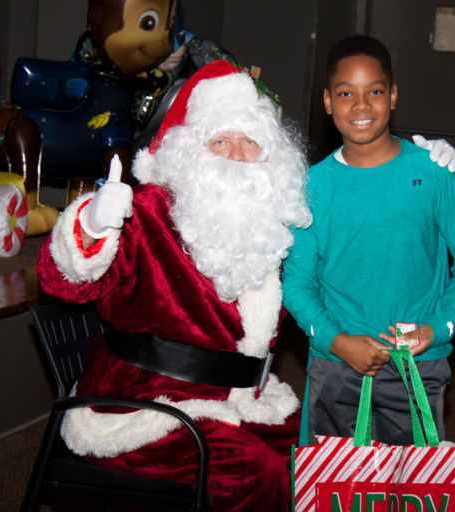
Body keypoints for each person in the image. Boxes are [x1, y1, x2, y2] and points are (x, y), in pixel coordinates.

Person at [36, 60, 313, 511]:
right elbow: (65, 283)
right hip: (142, 407)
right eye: (220, 141)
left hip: (239, 401)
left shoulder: (270, 224)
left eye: (249, 142)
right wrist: (91, 227)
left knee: (323, 459)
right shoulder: (146, 213)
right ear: (189, 151)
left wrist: (426, 178)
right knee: (253, 475)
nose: (236, 156)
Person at [281, 35, 455, 448]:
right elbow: (297, 283)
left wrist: (438, 327)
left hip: (417, 364)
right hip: (336, 365)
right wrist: (338, 342)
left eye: (374, 91)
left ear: (392, 95)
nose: (361, 106)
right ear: (328, 102)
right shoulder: (310, 187)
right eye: (346, 94)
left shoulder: (433, 173)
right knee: (334, 489)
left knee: (411, 487)